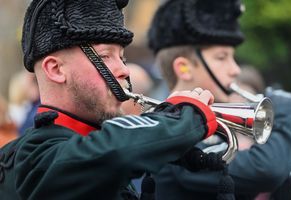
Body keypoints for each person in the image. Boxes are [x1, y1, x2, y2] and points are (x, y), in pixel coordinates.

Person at [0, 0, 220, 199]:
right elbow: (111, 153)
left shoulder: (98, 144)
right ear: (56, 69)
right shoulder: (35, 153)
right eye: (105, 56)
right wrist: (179, 120)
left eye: (122, 57)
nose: (124, 69)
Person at [147, 0, 291, 199]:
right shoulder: (169, 131)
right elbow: (265, 170)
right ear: (183, 68)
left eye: (232, 57)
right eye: (221, 57)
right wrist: (290, 112)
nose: (235, 69)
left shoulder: (215, 127)